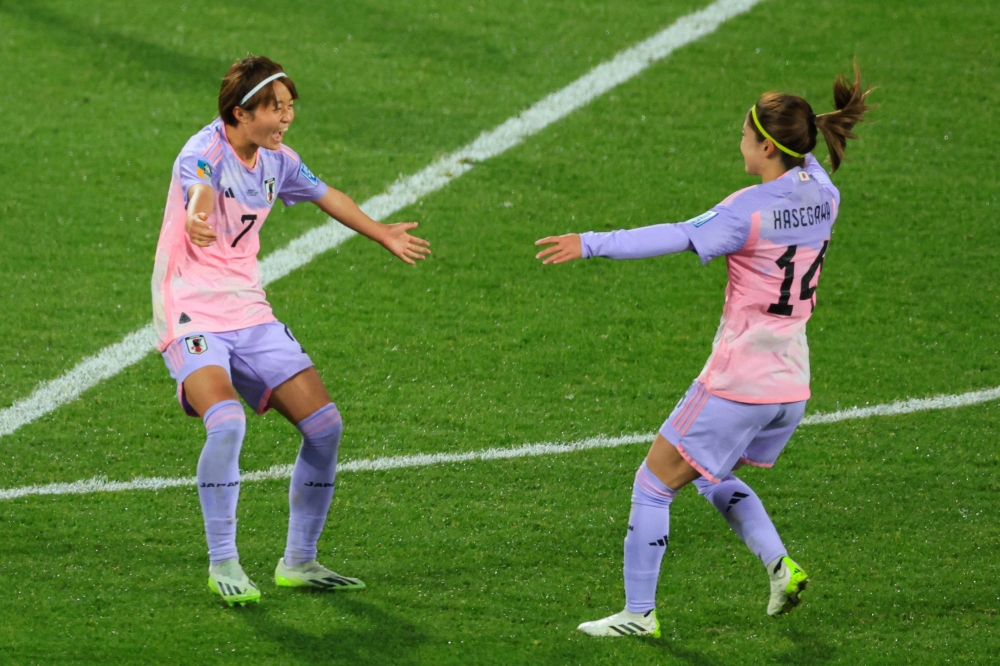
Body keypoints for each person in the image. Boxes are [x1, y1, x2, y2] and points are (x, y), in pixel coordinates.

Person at [535, 63, 871, 636]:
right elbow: (808, 153)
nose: (738, 142)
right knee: (709, 474)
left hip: (738, 379)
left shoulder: (748, 209)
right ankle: (778, 565)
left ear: (768, 147)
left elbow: (674, 234)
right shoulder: (825, 192)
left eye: (745, 134)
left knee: (653, 482)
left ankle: (638, 615)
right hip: (791, 382)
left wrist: (589, 243)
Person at [152, 56, 431, 606]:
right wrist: (196, 217)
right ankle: (223, 561)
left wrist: (382, 234)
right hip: (190, 310)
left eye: (289, 107)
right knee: (227, 422)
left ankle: (299, 561)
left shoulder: (278, 161)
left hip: (248, 311)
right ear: (240, 111)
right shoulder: (201, 154)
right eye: (275, 108)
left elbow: (328, 195)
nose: (286, 117)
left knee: (325, 426)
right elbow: (200, 191)